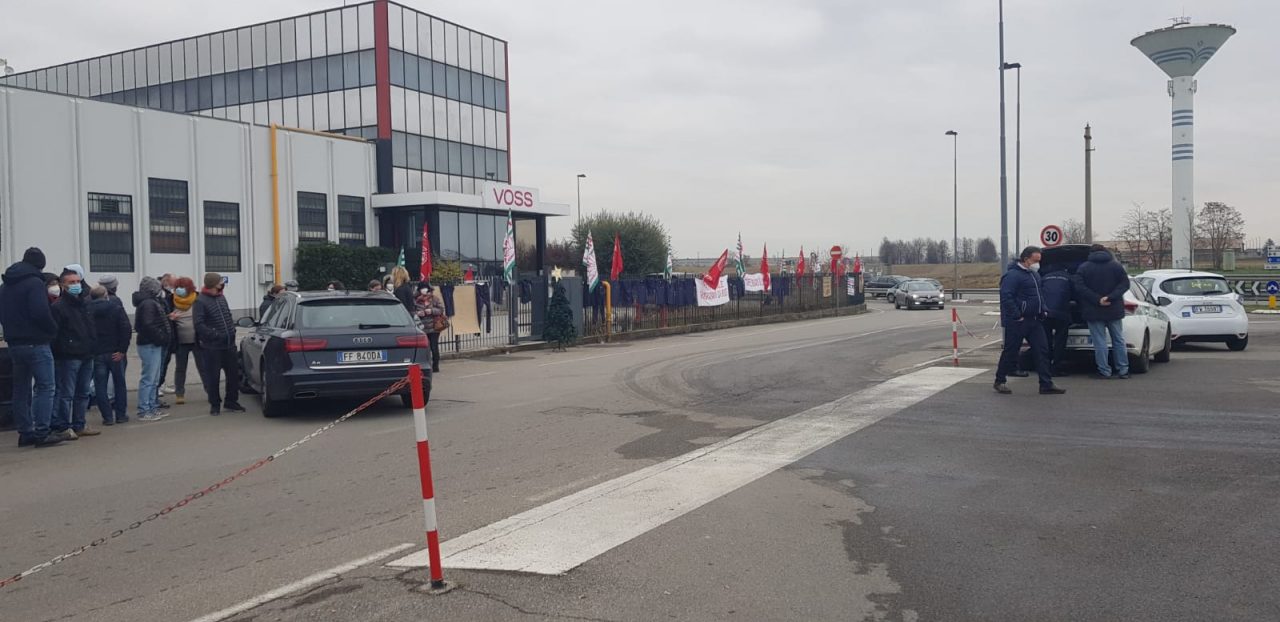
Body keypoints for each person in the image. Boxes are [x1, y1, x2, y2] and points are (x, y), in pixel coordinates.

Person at [1, 248, 63, 447]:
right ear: (40, 265)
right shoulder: (35, 283)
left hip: (14, 343)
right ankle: (42, 431)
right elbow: (40, 312)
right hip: (36, 342)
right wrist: (52, 329)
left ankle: (25, 432)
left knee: (20, 389)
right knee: (46, 386)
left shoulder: (5, 285)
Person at [994, 246, 1065, 395]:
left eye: (1039, 260)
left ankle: (1046, 384)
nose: (1037, 264)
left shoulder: (1035, 275)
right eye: (1035, 260)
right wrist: (1017, 315)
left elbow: (1039, 295)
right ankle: (1000, 381)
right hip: (1018, 321)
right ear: (1026, 259)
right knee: (1010, 351)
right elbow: (1006, 297)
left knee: (1042, 351)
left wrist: (1043, 309)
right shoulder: (1012, 276)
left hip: (1035, 320)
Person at [50, 268, 101, 439]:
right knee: (67, 394)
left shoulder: (85, 304)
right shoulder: (58, 307)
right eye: (71, 282)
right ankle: (64, 426)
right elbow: (55, 334)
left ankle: (80, 424)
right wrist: (63, 349)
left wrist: (93, 345)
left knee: (83, 392)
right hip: (68, 356)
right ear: (63, 285)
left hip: (87, 354)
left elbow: (91, 327)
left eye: (78, 281)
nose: (76, 285)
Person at [1072, 243, 1131, 379]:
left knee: (1099, 341)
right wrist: (1111, 297)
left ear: (1090, 254)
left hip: (1093, 310)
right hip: (1114, 309)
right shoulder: (1116, 266)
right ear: (1105, 251)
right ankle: (1123, 370)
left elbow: (1079, 287)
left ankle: (1104, 371)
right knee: (1118, 340)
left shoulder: (1084, 267)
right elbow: (1125, 284)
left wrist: (1097, 299)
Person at [193, 272, 243, 415]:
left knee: (233, 375)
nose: (222, 284)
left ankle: (231, 401)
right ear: (214, 284)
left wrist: (232, 330)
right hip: (212, 347)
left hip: (229, 345)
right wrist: (214, 335)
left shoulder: (221, 297)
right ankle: (214, 405)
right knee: (213, 377)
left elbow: (228, 314)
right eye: (220, 282)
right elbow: (199, 324)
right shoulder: (200, 301)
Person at [89, 286, 131, 425]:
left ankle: (107, 417)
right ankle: (121, 415)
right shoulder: (116, 308)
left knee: (100, 386)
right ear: (106, 295)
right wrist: (122, 350)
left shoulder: (87, 310)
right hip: (115, 352)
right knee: (119, 384)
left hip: (97, 353)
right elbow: (126, 328)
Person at [133, 277, 171, 421]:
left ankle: (152, 407)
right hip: (150, 344)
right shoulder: (148, 303)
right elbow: (148, 325)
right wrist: (161, 337)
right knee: (149, 378)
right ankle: (144, 409)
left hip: (152, 344)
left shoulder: (149, 302)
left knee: (153, 379)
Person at [170, 277, 203, 405]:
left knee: (203, 367)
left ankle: (210, 391)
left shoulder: (198, 299)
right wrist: (170, 318)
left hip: (197, 340)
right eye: (178, 287)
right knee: (180, 368)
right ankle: (179, 394)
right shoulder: (171, 300)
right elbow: (164, 316)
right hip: (180, 341)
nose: (180, 289)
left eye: (183, 287)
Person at [1040, 266, 1075, 376]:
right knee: (1060, 340)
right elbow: (1076, 294)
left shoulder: (1044, 277)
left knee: (1046, 340)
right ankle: (1056, 367)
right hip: (1062, 313)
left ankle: (1045, 366)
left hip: (1046, 313)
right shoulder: (1069, 278)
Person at [414, 279, 446, 373]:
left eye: (425, 288)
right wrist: (418, 313)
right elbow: (411, 311)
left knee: (434, 347)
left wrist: (431, 311)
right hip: (422, 327)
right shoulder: (415, 300)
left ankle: (435, 366)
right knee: (424, 348)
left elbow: (441, 309)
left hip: (434, 327)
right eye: (422, 288)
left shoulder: (434, 298)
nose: (424, 290)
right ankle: (425, 366)